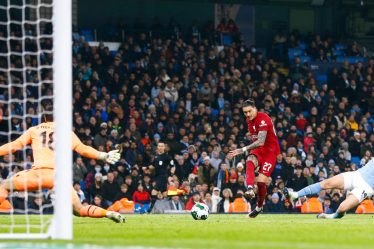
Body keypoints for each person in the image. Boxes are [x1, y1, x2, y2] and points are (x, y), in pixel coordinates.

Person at [0, 102, 124, 223]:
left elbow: (15, 145)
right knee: (79, 209)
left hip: (36, 175)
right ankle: (107, 213)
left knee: (5, 187)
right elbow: (82, 149)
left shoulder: (34, 130)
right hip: (57, 178)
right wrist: (103, 155)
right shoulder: (66, 132)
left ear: (44, 117)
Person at [228, 99, 281, 218]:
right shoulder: (249, 121)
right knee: (250, 160)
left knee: (261, 182)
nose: (247, 114)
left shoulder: (263, 119)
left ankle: (259, 207)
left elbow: (261, 141)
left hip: (270, 151)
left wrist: (242, 149)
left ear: (255, 108)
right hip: (259, 150)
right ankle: (250, 188)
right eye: (245, 112)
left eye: (249, 111)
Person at [284, 158, 374, 219]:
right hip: (356, 175)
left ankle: (334, 216)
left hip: (366, 187)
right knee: (326, 183)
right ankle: (295, 195)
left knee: (342, 208)